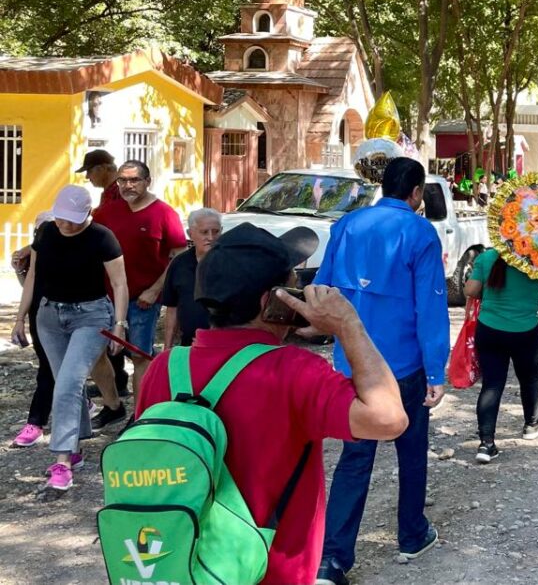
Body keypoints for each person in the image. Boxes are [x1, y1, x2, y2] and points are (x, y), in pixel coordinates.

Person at [136, 222, 409, 584]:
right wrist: (348, 325)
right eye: (292, 284)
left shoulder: (163, 368)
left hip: (185, 564)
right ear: (272, 301)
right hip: (272, 570)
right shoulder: (294, 372)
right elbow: (388, 418)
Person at [315, 158, 450, 585]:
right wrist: (436, 370)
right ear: (415, 193)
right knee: (411, 449)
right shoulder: (420, 232)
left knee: (355, 457)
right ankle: (411, 535)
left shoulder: (347, 225)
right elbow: (429, 305)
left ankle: (332, 560)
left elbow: (322, 287)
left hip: (352, 363)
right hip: (403, 364)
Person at [11, 185, 128, 492]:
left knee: (67, 383)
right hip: (50, 316)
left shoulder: (103, 237)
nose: (65, 225)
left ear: (88, 213)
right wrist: (21, 316)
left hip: (91, 316)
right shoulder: (47, 232)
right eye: (61, 218)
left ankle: (62, 461)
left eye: (72, 219)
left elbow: (119, 284)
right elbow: (33, 276)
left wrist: (119, 324)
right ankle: (75, 448)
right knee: (66, 381)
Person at [90, 159, 187, 425]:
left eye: (134, 180)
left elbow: (178, 256)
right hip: (105, 297)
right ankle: (113, 406)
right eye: (123, 180)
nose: (128, 185)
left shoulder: (165, 213)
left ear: (147, 182)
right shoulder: (106, 212)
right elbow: (82, 237)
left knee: (139, 355)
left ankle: (140, 415)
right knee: (94, 353)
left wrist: (155, 290)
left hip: (143, 298)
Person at [465, 247, 538, 464]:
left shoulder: (487, 257)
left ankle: (486, 443)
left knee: (492, 385)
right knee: (529, 379)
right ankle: (531, 424)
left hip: (490, 328)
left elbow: (471, 290)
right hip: (526, 329)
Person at [9, 213, 59, 448]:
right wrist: (19, 319)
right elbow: (30, 284)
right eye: (38, 232)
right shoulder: (37, 252)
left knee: (50, 370)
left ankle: (36, 421)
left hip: (70, 314)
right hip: (39, 313)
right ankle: (85, 404)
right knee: (50, 366)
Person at [162, 208, 221, 349]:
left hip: (222, 345)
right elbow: (172, 308)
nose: (211, 237)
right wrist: (167, 347)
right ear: (190, 234)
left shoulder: (230, 263)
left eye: (216, 231)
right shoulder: (179, 263)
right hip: (189, 344)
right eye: (204, 232)